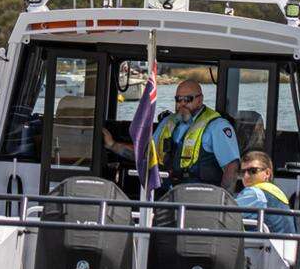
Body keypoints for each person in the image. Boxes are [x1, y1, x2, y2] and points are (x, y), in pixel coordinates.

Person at [103, 80, 240, 190]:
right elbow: (147, 154)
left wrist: (222, 204)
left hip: (200, 198)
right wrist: (113, 145)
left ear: (200, 100)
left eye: (188, 99)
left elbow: (232, 168)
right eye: (178, 99)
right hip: (167, 194)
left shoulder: (217, 127)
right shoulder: (168, 123)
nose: (182, 104)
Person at [235, 151, 296, 234]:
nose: (246, 176)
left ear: (267, 173)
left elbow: (225, 215)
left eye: (253, 171)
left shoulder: (254, 193)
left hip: (266, 245)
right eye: (242, 172)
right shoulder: (275, 192)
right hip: (284, 244)